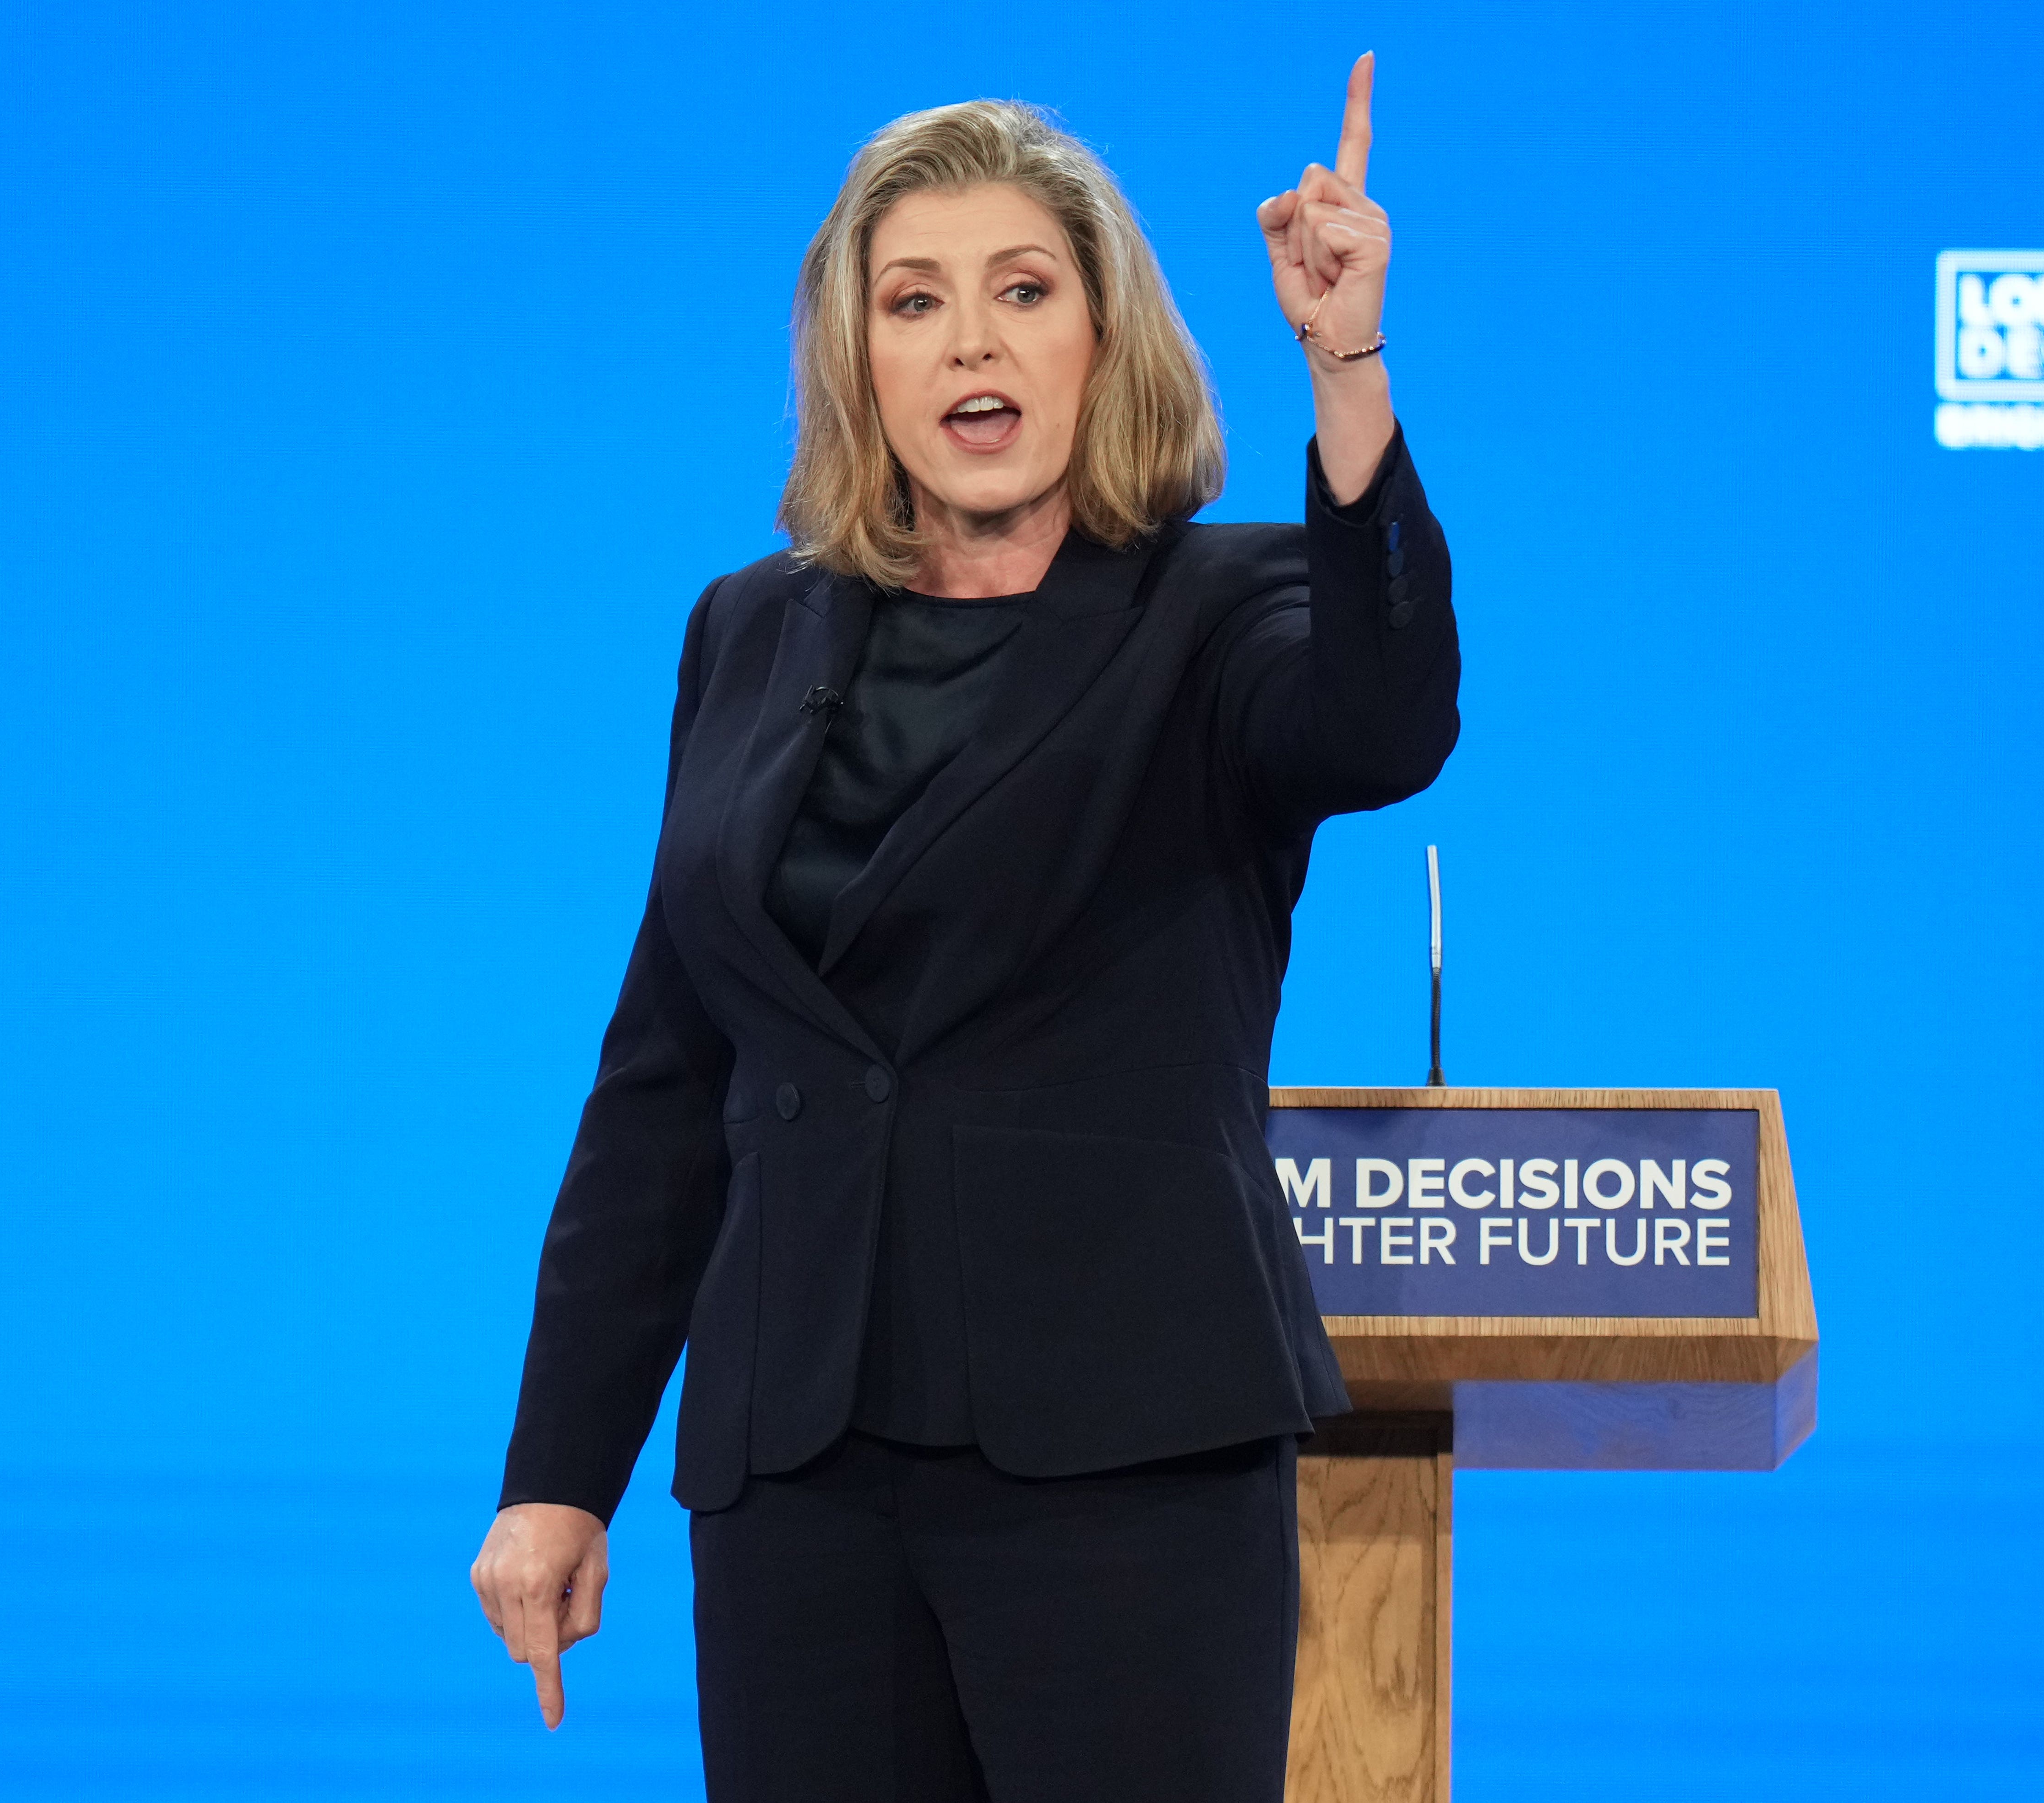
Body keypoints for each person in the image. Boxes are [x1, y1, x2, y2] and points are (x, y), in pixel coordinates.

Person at [471, 54, 1456, 1803]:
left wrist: (1348, 372)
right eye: (914, 302)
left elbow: (1385, 732)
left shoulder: (1224, 608)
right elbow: (668, 1072)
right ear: (859, 360)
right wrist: (560, 1472)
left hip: (1122, 1447)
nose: (971, 344)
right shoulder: (748, 632)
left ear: (1104, 335)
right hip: (799, 1468)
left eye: (1022, 292)